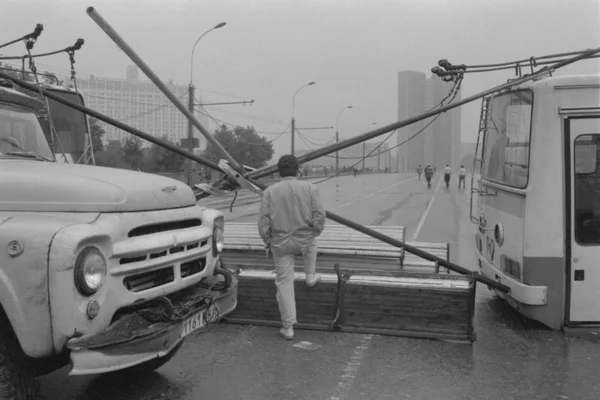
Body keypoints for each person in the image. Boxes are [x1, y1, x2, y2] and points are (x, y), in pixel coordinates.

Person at [258, 154, 326, 340]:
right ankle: (310, 276)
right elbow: (319, 215)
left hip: (280, 243)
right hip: (304, 240)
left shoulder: (269, 192)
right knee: (313, 241)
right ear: (298, 170)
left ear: (279, 171)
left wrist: (267, 240)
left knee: (284, 283)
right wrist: (315, 231)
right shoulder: (310, 188)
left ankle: (288, 328)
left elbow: (263, 222)